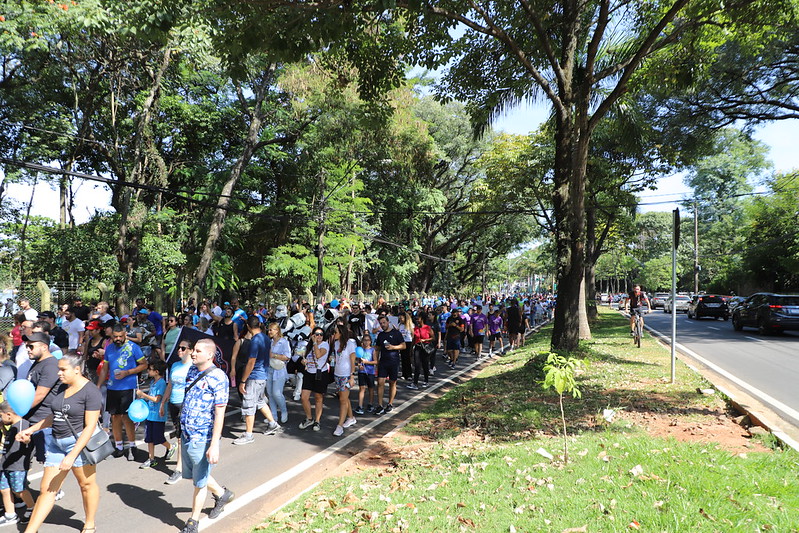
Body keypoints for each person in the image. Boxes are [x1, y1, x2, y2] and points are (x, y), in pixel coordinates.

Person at [17, 352, 102, 533]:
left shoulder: (90, 391)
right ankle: (30, 531)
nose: (59, 373)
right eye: (58, 369)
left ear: (77, 370)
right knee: (47, 490)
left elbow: (90, 426)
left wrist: (72, 455)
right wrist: (32, 429)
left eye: (63, 369)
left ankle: (89, 523)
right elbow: (55, 415)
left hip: (78, 445)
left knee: (86, 485)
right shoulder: (63, 387)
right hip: (56, 442)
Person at [179, 338, 233, 533]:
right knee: (195, 474)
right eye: (193, 350)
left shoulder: (219, 377)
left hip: (203, 436)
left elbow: (220, 412)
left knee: (199, 481)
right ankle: (222, 493)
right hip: (187, 432)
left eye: (198, 351)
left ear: (210, 354)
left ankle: (193, 522)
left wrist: (214, 444)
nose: (193, 353)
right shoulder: (192, 370)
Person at [97, 324, 147, 461]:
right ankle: (119, 447)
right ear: (112, 335)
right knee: (115, 418)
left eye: (120, 336)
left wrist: (128, 372)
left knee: (126, 417)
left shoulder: (133, 347)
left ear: (125, 334)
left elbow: (144, 364)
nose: (118, 339)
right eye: (115, 337)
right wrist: (98, 385)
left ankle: (132, 446)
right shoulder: (110, 348)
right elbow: (104, 368)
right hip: (112, 387)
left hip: (128, 387)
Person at [232, 317, 280, 445]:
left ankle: (248, 435)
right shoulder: (265, 337)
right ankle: (272, 423)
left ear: (248, 326)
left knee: (248, 404)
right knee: (259, 401)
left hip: (254, 376)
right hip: (263, 375)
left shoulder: (254, 341)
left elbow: (251, 362)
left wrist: (243, 381)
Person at [161, 339, 192, 486]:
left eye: (183, 348)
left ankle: (179, 469)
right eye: (179, 348)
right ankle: (185, 465)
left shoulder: (194, 367)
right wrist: (163, 403)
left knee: (182, 438)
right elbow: (170, 385)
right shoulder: (174, 365)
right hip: (174, 403)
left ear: (191, 351)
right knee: (181, 437)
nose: (179, 350)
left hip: (186, 405)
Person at [0, 401, 35, 527]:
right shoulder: (12, 426)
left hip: (17, 465)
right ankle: (10, 514)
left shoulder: (24, 425)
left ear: (8, 414)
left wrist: (27, 440)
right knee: (4, 489)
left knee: (19, 490)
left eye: (1, 415)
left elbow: (28, 441)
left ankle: (32, 508)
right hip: (5, 463)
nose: (1, 418)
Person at [135, 360, 175, 469]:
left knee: (159, 437)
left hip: (158, 415)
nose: (148, 371)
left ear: (156, 371)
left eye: (150, 369)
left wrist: (143, 394)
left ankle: (171, 447)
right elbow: (150, 398)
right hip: (150, 415)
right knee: (149, 438)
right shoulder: (153, 382)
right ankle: (151, 458)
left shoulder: (161, 383)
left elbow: (157, 399)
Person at [298, 327, 330, 431]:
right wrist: (304, 361)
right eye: (317, 334)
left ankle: (317, 420)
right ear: (313, 335)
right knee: (304, 397)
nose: (319, 336)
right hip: (309, 372)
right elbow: (306, 357)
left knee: (318, 398)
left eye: (321, 334)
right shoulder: (310, 345)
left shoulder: (324, 344)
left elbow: (319, 355)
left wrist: (315, 343)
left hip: (320, 373)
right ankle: (309, 418)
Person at [374, 315, 405, 416]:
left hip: (394, 361)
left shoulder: (396, 333)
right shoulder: (381, 335)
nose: (382, 325)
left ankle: (390, 403)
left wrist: (393, 347)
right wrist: (376, 361)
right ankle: (379, 405)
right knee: (380, 382)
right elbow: (377, 348)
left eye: (384, 323)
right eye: (381, 323)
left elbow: (403, 345)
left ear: (388, 322)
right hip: (383, 362)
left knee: (392, 382)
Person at [330, 324, 357, 437]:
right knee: (344, 398)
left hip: (346, 375)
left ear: (340, 333)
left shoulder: (350, 344)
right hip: (337, 374)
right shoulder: (336, 344)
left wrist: (352, 376)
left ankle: (340, 425)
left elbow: (352, 361)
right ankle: (351, 417)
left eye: (335, 332)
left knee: (342, 400)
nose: (333, 334)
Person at [266, 322, 291, 424]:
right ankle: (273, 416)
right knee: (270, 394)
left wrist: (274, 355)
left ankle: (284, 410)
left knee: (277, 393)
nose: (269, 331)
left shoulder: (284, 342)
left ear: (277, 330)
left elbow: (287, 356)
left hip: (279, 370)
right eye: (269, 330)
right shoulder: (270, 342)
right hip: (269, 369)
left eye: (271, 329)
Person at [354, 335, 376, 415]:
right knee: (361, 388)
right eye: (365, 340)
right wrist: (359, 365)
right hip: (362, 372)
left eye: (368, 340)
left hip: (370, 372)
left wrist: (367, 362)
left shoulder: (372, 350)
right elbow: (358, 360)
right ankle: (360, 405)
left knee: (370, 388)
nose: (366, 342)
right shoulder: (361, 350)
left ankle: (370, 404)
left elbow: (376, 361)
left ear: (370, 341)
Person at [411, 314, 433, 389]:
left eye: (418, 319)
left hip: (425, 347)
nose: (417, 320)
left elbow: (433, 338)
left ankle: (426, 380)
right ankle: (415, 383)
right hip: (417, 347)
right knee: (417, 365)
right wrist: (411, 349)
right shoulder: (415, 328)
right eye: (416, 319)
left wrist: (425, 340)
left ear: (422, 319)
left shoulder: (427, 328)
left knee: (425, 364)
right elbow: (414, 339)